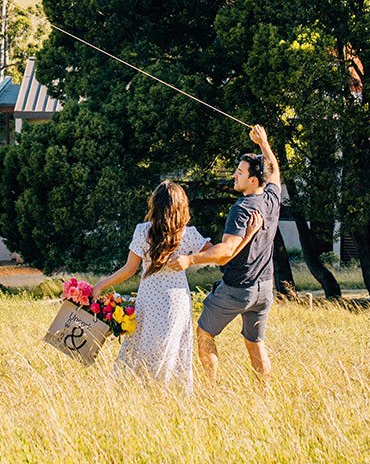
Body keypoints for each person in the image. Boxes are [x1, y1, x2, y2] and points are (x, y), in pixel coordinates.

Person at [178, 124, 283, 380]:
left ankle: (211, 389)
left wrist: (190, 259)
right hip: (265, 288)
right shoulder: (271, 199)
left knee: (204, 332)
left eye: (240, 172)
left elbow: (226, 251)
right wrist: (263, 143)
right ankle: (265, 392)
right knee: (255, 342)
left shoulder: (242, 209)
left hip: (237, 288)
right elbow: (275, 172)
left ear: (253, 179)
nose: (234, 175)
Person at [90, 180, 214, 389]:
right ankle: (167, 392)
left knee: (143, 346)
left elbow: (129, 269)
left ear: (155, 205)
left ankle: (140, 390)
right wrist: (191, 260)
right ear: (181, 206)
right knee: (171, 349)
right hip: (176, 301)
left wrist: (101, 284)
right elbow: (215, 253)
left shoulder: (143, 231)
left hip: (149, 299)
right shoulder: (187, 233)